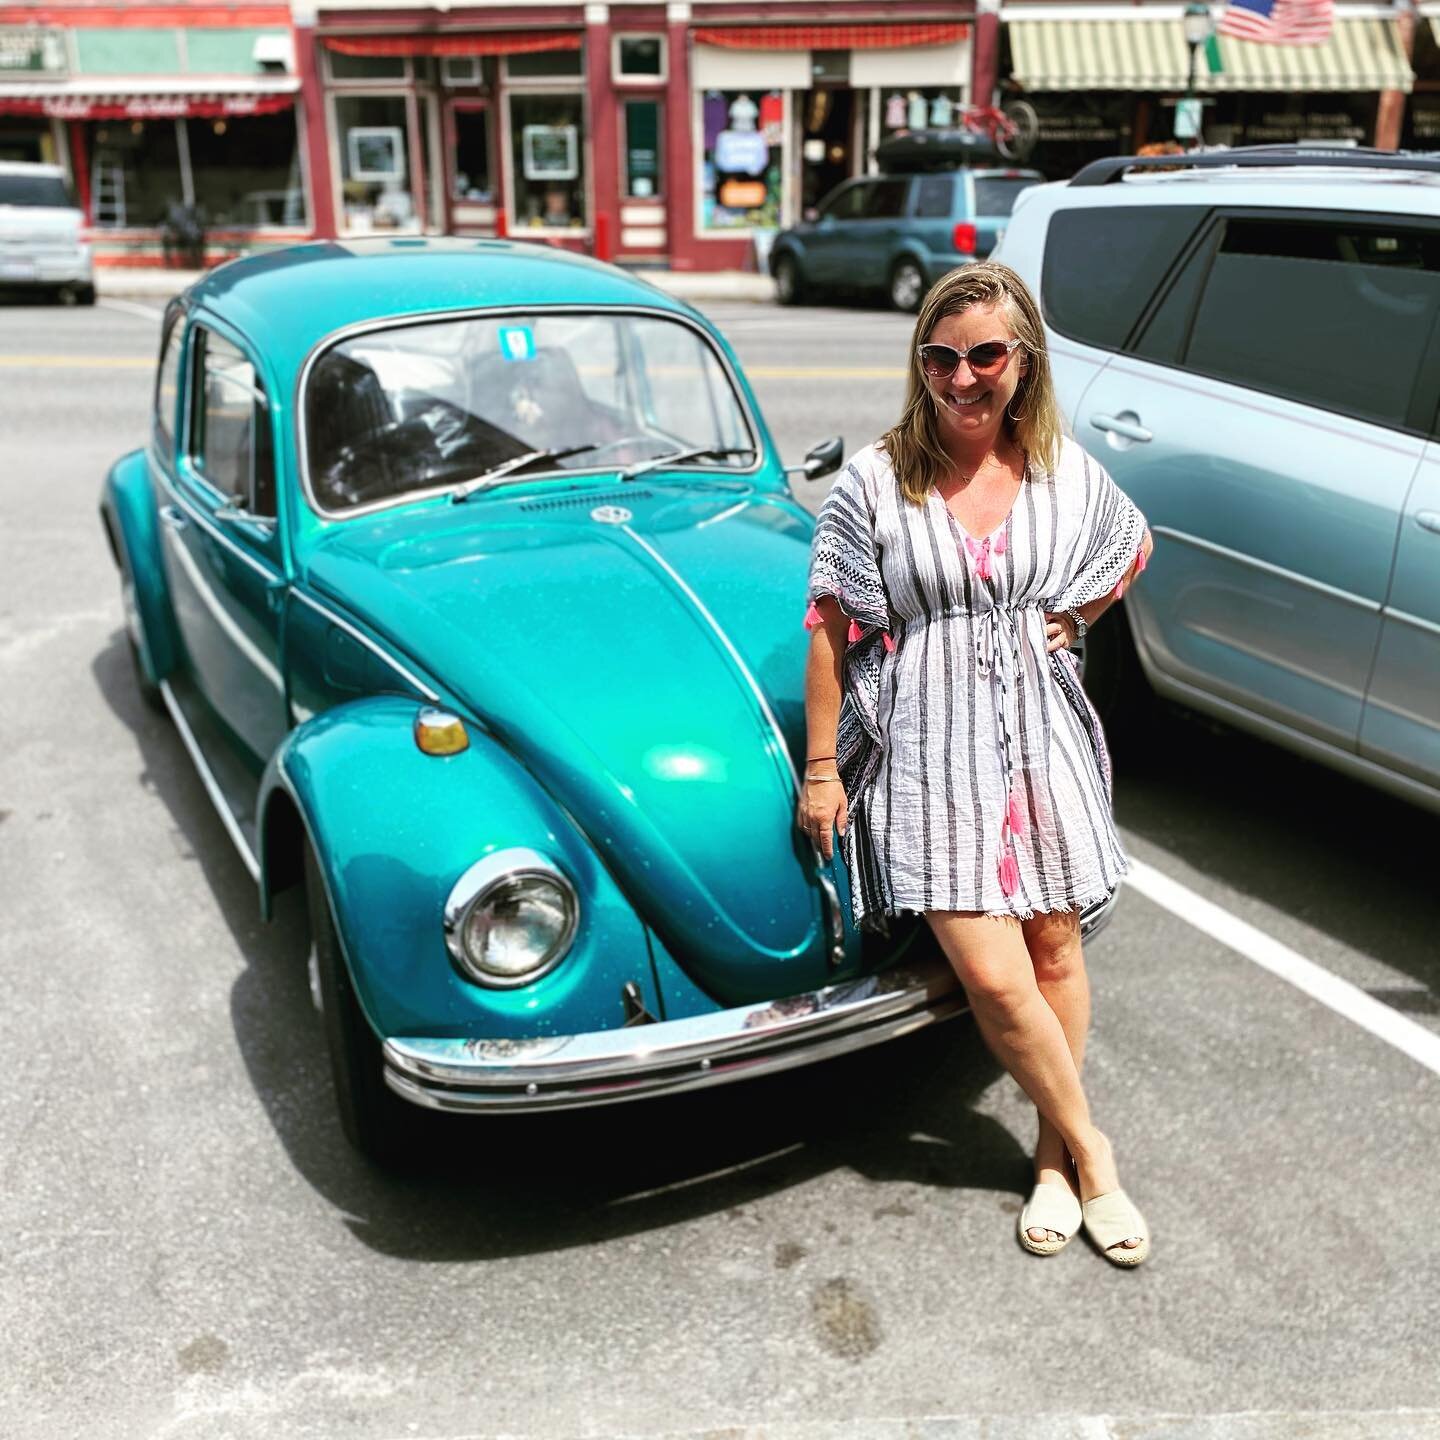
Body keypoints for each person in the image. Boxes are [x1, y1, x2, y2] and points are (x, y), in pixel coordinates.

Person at [798, 262, 1155, 1265]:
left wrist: (1076, 613)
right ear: (922, 363)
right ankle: (1098, 1156)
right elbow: (828, 624)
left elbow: (1133, 544)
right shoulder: (877, 478)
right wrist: (823, 769)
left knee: (1055, 950)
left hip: (1039, 735)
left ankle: (1049, 1163)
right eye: (942, 357)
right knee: (996, 982)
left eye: (986, 355)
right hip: (928, 747)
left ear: (1022, 360)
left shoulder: (1059, 470)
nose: (964, 377)